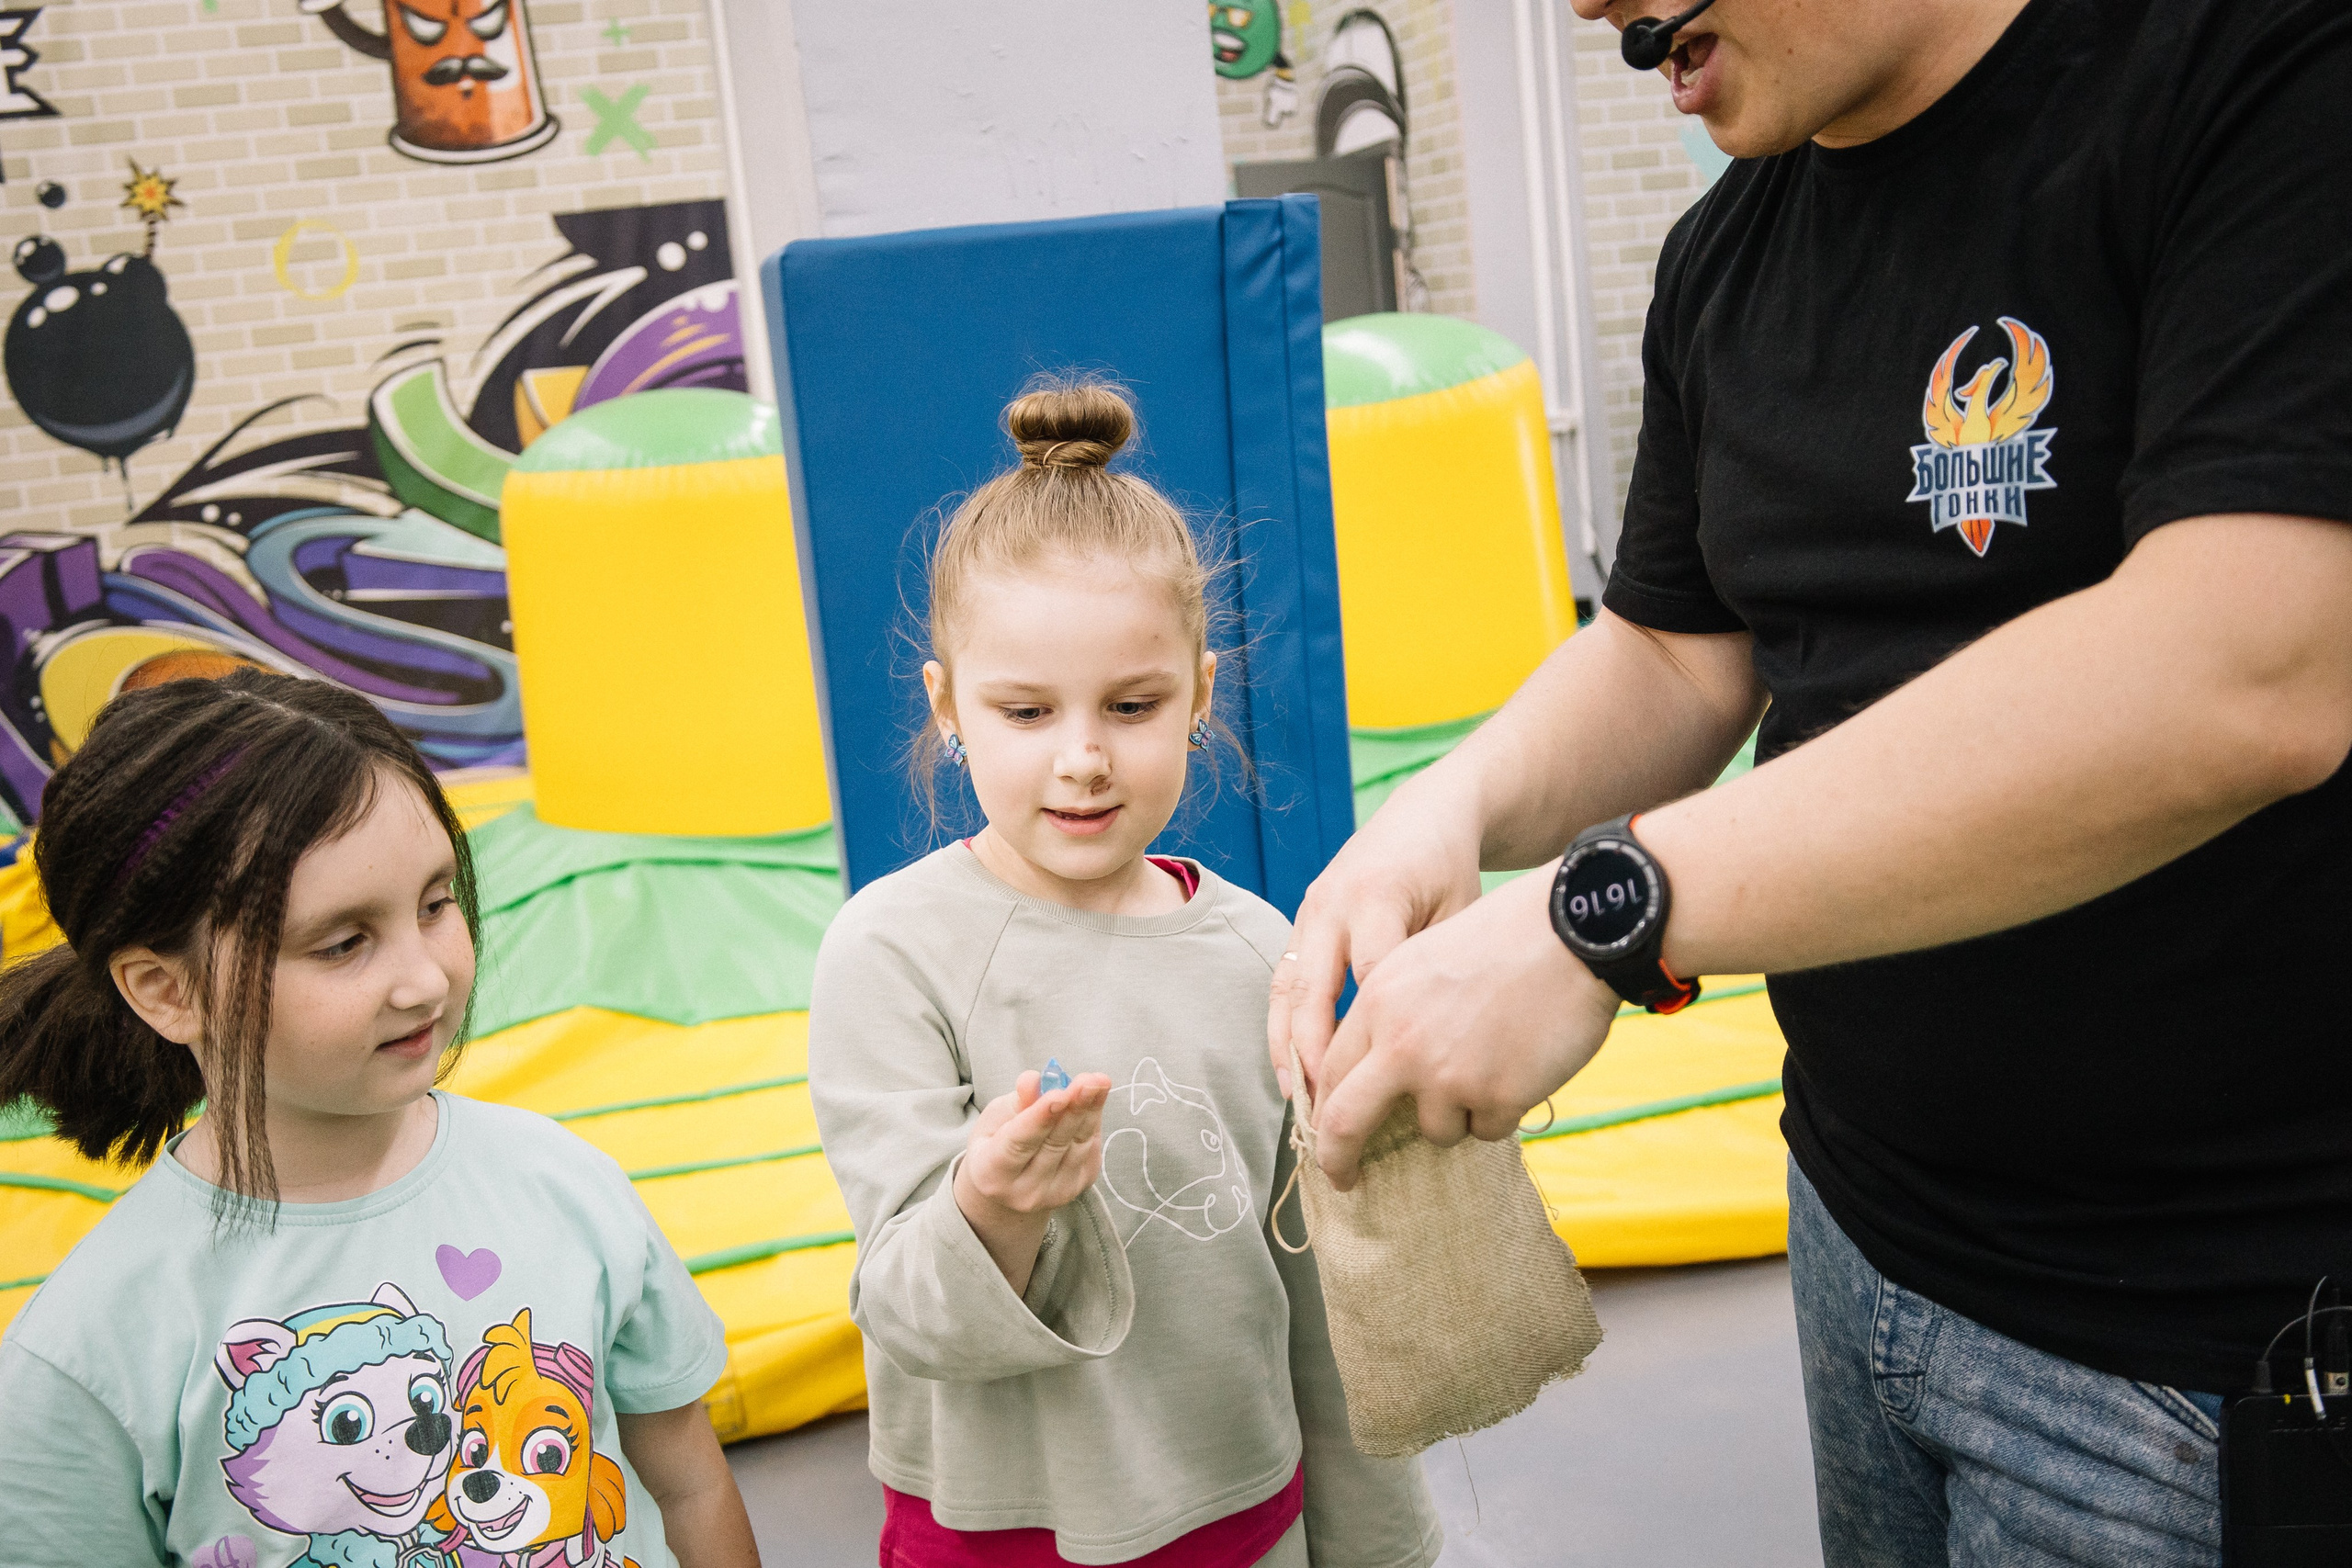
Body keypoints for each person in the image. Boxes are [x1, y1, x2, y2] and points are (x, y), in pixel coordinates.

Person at [1270, 0, 2352, 1562]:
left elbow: (2246, 672)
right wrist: (1449, 809)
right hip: (1861, 1229)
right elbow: (1677, 649)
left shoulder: (2260, 77)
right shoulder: (1729, 252)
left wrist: (1603, 911)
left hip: (2199, 1349)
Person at [808, 381, 1440, 1568]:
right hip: (996, 1530)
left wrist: (1381, 1544)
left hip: (1241, 1515)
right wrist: (991, 1204)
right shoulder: (890, 953)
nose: (1084, 756)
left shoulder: (1261, 947)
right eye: (1028, 708)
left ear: (1200, 692)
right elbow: (903, 1303)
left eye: (1132, 704)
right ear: (951, 706)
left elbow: (1324, 1308)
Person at [0, 671, 759, 1568]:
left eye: (436, 904)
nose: (426, 979)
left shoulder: (567, 1184)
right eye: (345, 942)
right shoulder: (88, 1355)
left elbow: (690, 1484)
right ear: (167, 990)